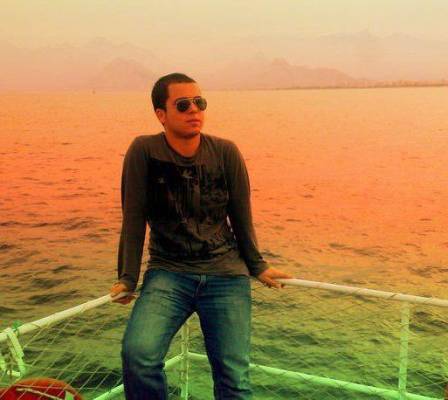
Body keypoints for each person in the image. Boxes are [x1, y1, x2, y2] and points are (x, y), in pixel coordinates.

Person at [110, 72, 293, 400]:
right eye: (183, 105)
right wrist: (127, 278)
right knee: (138, 355)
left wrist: (258, 265)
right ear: (161, 114)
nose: (194, 110)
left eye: (199, 102)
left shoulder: (225, 152)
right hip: (169, 273)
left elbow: (241, 215)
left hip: (226, 276)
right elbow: (134, 218)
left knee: (233, 377)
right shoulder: (144, 151)